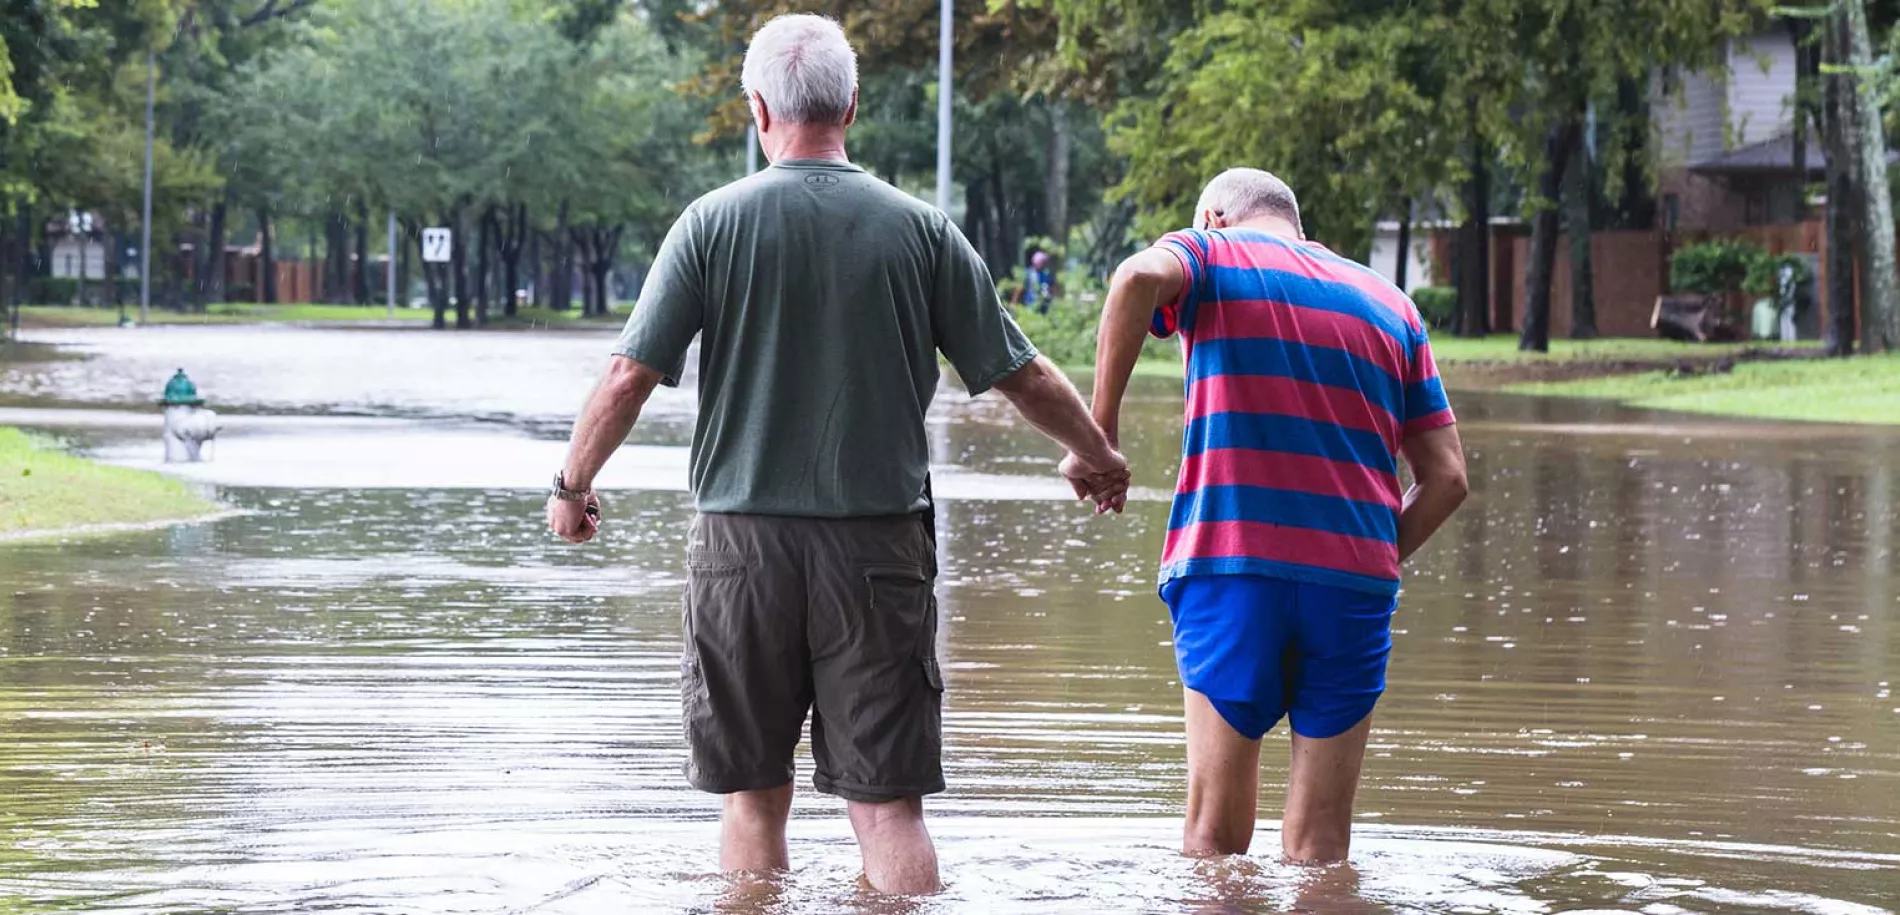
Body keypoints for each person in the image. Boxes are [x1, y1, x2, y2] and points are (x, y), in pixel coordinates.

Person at [544, 14, 1128, 895]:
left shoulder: (709, 225)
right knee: (888, 808)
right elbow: (1022, 373)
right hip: (878, 550)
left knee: (750, 798)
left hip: (741, 551)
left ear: (756, 109)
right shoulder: (920, 230)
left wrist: (572, 484)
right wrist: (1097, 453)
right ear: (853, 104)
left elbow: (629, 375)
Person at [1079, 168, 1468, 863]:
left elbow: (1136, 280)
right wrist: (1366, 553)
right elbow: (1447, 479)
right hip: (1353, 588)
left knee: (1215, 836)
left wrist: (1099, 439)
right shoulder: (1391, 304)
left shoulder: (1210, 252)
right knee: (1321, 847)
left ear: (1213, 216)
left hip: (1234, 571)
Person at [1011, 249, 1058, 315]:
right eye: (1043, 262)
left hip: (1044, 306)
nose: (1045, 264)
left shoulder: (1046, 274)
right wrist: (1014, 303)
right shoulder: (1028, 273)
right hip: (1030, 305)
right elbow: (1019, 288)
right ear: (1037, 262)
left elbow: (1053, 287)